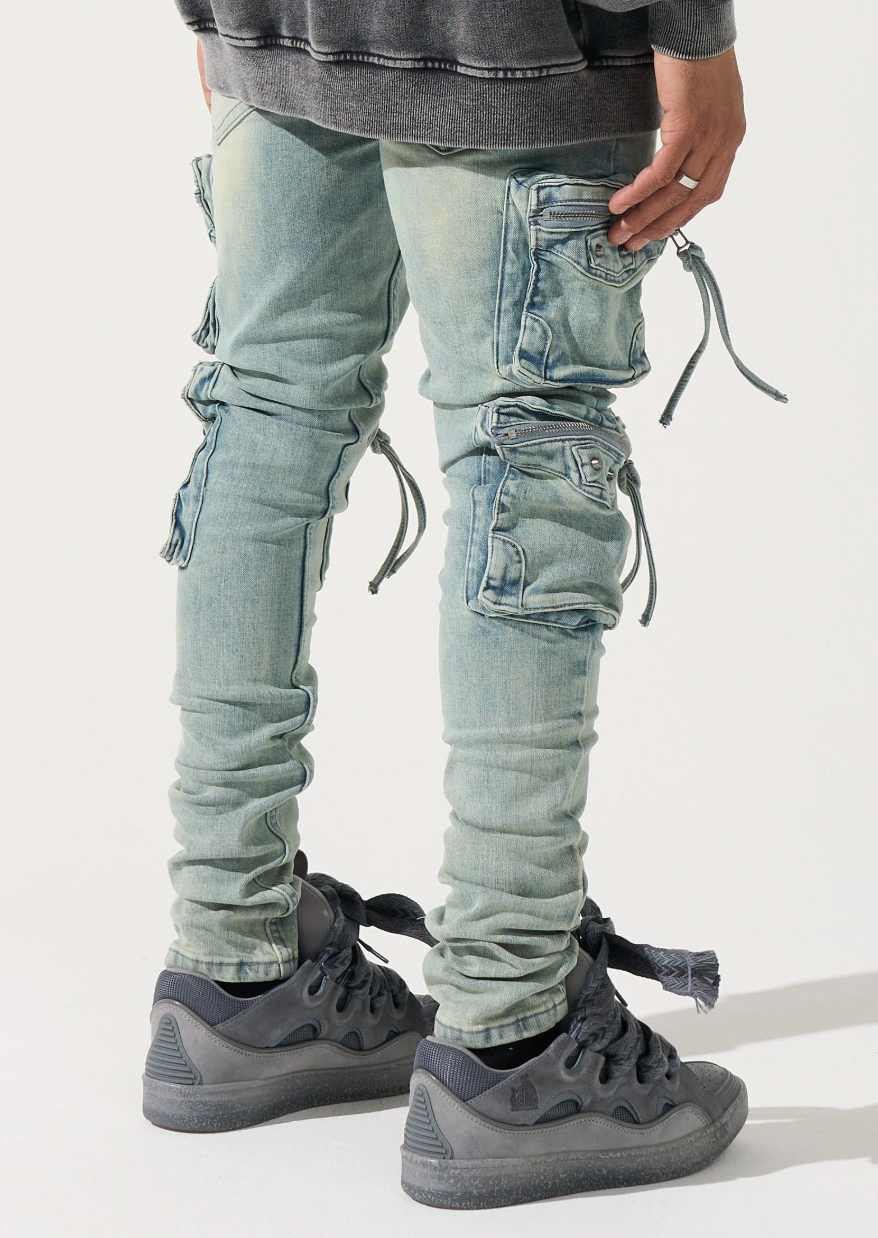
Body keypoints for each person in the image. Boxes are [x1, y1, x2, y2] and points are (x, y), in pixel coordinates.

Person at [144, 1, 784, 1208]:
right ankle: (511, 1028)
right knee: (520, 445)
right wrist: (693, 32)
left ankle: (234, 958)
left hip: (281, 19)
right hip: (509, 37)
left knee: (265, 411)